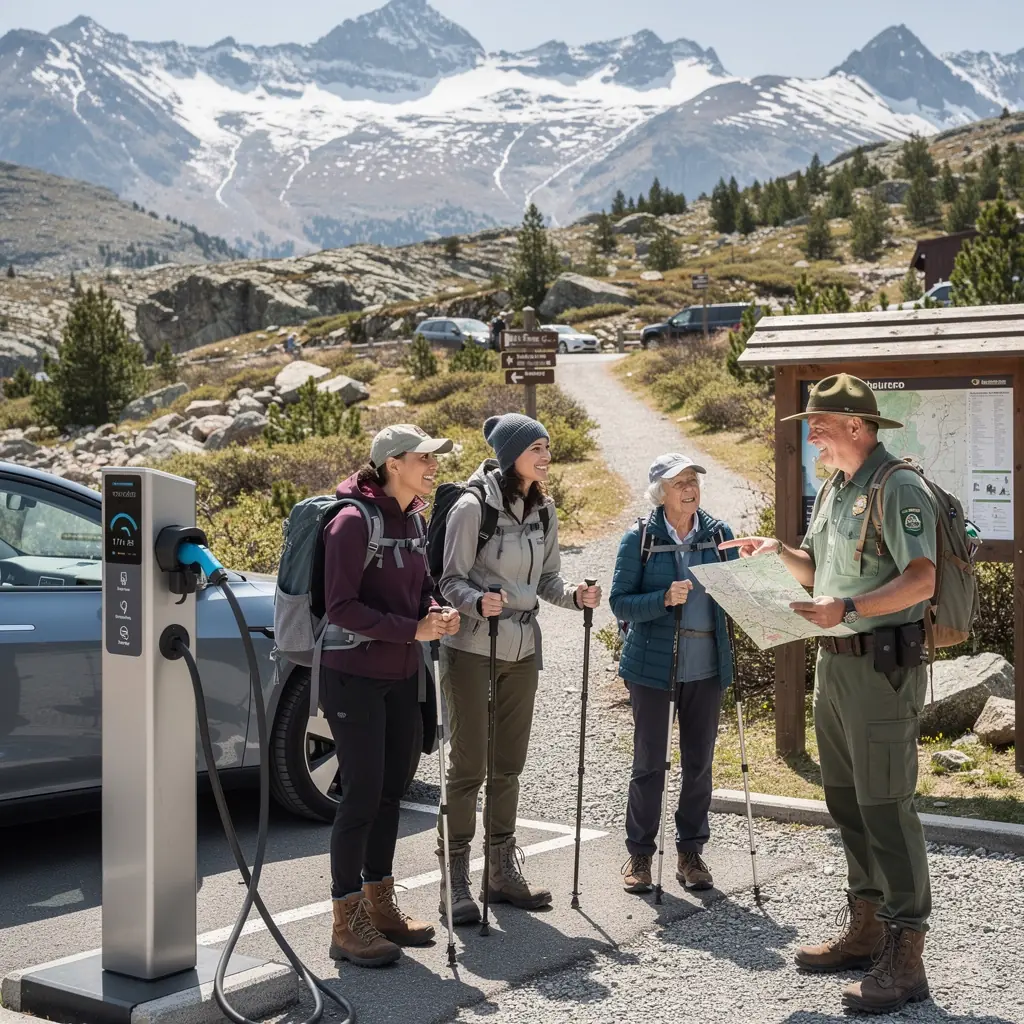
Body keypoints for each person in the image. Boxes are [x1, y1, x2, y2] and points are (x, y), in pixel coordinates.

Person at [721, 373, 936, 1014]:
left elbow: (921, 579)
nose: (811, 435)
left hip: (881, 670)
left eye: (819, 425)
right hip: (836, 665)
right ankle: (867, 930)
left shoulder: (898, 486)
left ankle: (906, 957)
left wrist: (851, 607)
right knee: (846, 802)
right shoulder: (837, 487)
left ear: (856, 426)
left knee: (887, 806)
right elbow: (818, 569)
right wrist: (777, 552)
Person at [436, 412, 601, 924]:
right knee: (469, 766)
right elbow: (448, 580)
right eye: (537, 449)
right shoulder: (472, 508)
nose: (547, 456)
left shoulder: (543, 510)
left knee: (508, 765)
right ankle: (454, 879)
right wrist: (475, 602)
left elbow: (547, 579)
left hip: (523, 649)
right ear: (512, 457)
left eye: (547, 447)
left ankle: (501, 872)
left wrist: (574, 595)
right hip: (471, 647)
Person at [321, 424, 461, 967]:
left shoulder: (415, 518)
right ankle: (345, 922)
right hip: (352, 676)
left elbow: (421, 588)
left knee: (389, 793)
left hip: (401, 674)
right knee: (360, 796)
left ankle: (380, 904)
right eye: (423, 457)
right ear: (392, 463)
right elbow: (340, 606)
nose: (433, 465)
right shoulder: (352, 522)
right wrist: (412, 630)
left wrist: (436, 611)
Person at [610, 454, 738, 896]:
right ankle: (640, 856)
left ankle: (690, 854)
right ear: (660, 492)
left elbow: (738, 593)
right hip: (652, 669)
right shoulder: (640, 538)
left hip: (706, 666)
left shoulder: (719, 535)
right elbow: (620, 603)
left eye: (692, 480)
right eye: (679, 482)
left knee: (699, 764)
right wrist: (663, 599)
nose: (689, 489)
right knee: (649, 765)